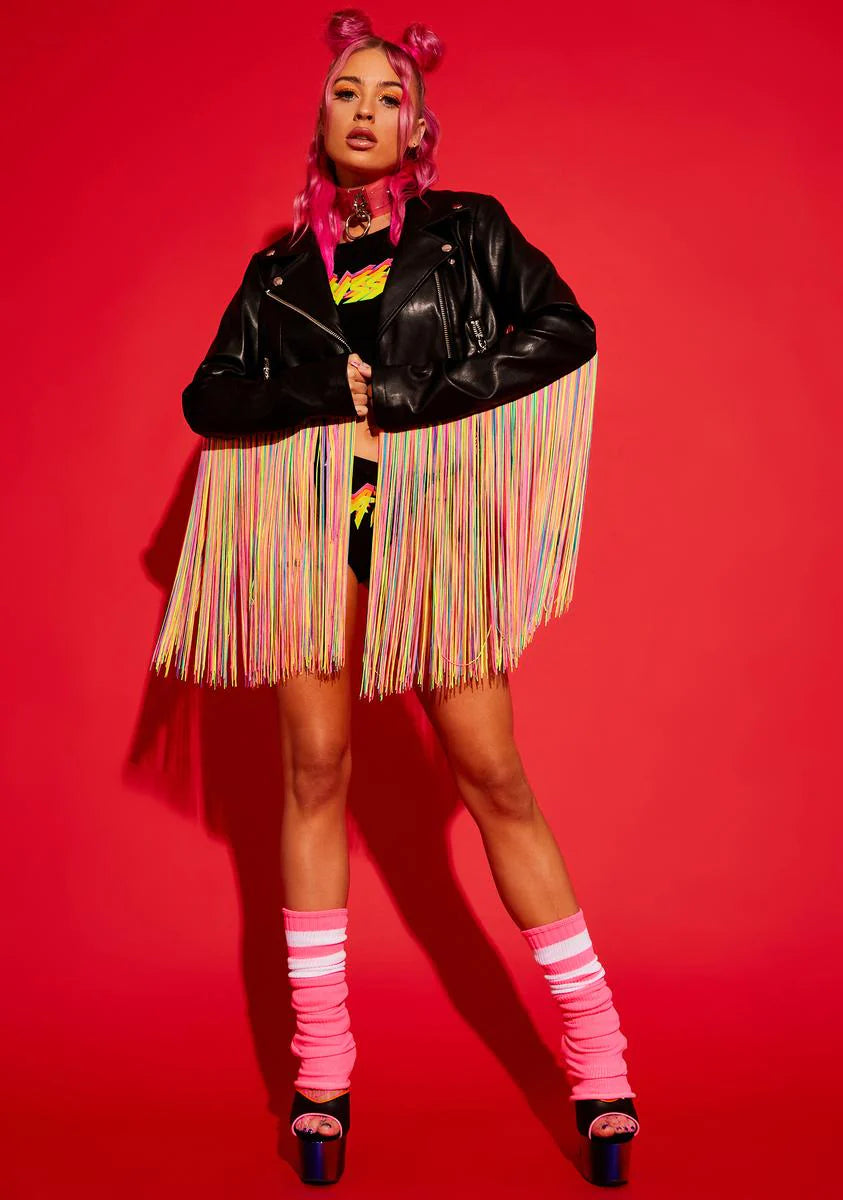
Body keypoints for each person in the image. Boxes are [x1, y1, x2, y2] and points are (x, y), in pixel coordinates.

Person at [152, 8, 640, 1186]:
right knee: (315, 774)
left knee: (495, 778)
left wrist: (427, 393)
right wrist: (324, 388)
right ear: (320, 119)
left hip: (433, 537)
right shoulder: (279, 271)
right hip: (315, 538)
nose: (366, 110)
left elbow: (565, 329)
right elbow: (210, 398)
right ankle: (322, 1074)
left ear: (419, 129)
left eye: (389, 96)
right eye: (346, 92)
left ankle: (600, 1065)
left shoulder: (470, 233)